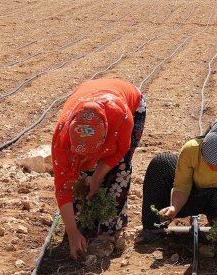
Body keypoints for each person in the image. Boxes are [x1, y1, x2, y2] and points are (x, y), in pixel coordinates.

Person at [51, 78, 146, 260]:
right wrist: (72, 232)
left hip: (130, 104)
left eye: (90, 155)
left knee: (120, 169)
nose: (85, 160)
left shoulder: (121, 119)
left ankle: (109, 229)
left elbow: (119, 151)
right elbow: (63, 186)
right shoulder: (61, 138)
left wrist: (97, 177)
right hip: (88, 94)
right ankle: (82, 222)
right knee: (81, 176)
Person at [141, 117, 217, 237]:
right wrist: (174, 207)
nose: (214, 168)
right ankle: (153, 228)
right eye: (209, 162)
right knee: (161, 162)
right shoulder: (192, 149)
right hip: (189, 196)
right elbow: (182, 185)